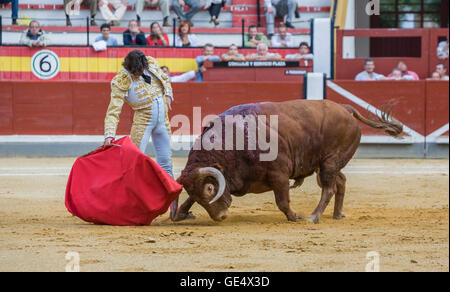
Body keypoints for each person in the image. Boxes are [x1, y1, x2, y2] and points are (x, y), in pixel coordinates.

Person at [103, 50, 177, 217]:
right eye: (134, 72)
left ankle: (174, 209)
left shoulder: (151, 63)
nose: (137, 74)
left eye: (139, 70)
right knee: (132, 165)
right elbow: (113, 110)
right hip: (143, 122)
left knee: (166, 163)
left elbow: (165, 78)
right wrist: (109, 134)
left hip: (163, 121)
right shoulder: (122, 79)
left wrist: (168, 96)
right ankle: (128, 206)